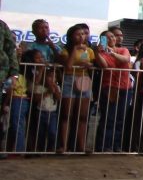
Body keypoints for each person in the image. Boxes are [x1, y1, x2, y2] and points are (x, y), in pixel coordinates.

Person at [57, 24, 95, 153]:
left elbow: (94, 64)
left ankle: (81, 146)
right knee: (67, 114)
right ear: (71, 37)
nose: (81, 36)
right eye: (78, 34)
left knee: (83, 116)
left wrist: (89, 65)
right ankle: (64, 146)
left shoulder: (89, 50)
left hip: (84, 80)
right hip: (69, 79)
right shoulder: (66, 50)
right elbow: (68, 66)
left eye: (83, 34)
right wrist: (75, 49)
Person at [94, 29, 132, 152]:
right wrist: (97, 53)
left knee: (120, 118)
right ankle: (104, 145)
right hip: (110, 86)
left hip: (124, 86)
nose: (112, 39)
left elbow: (125, 59)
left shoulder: (123, 50)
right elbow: (104, 65)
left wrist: (113, 53)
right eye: (107, 38)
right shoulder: (102, 53)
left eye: (113, 36)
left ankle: (116, 145)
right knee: (108, 117)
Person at [25, 49, 60, 152]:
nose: (41, 59)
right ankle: (35, 149)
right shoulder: (30, 70)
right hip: (37, 105)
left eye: (42, 57)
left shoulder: (49, 75)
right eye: (37, 57)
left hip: (50, 111)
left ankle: (48, 149)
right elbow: (35, 82)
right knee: (37, 130)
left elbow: (58, 96)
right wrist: (41, 69)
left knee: (51, 131)